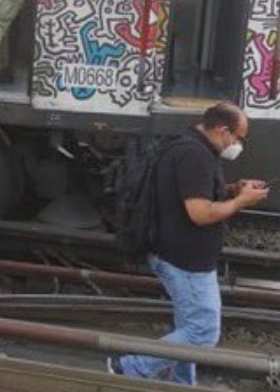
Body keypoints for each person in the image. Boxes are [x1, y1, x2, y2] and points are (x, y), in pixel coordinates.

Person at [109, 102, 269, 386]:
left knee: (188, 327)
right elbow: (200, 213)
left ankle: (182, 385)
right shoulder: (195, 155)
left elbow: (191, 191)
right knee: (202, 332)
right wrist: (241, 202)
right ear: (222, 130)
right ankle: (129, 368)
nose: (238, 144)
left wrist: (232, 190)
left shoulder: (187, 144)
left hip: (175, 253)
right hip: (186, 261)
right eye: (238, 137)